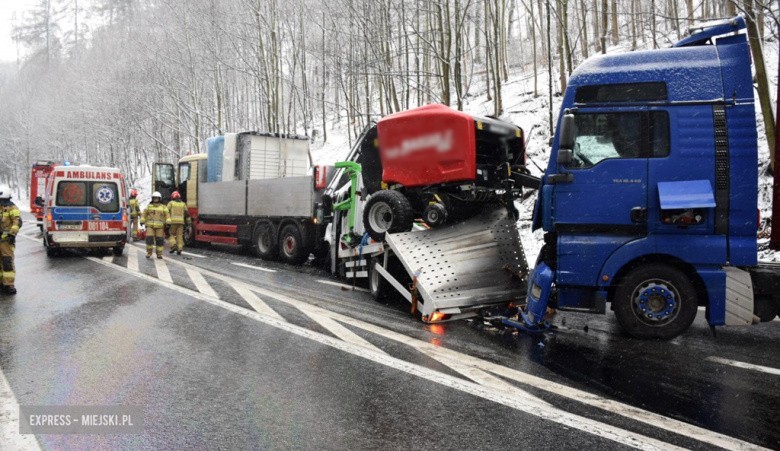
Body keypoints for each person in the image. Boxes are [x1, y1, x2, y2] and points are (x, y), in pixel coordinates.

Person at [0, 185, 20, 294]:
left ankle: (8, 285)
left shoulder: (12, 208)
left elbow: (17, 222)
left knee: (7, 262)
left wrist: (12, 234)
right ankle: (1, 283)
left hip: (6, 241)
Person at [141, 191, 170, 259]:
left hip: (160, 227)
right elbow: (144, 214)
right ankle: (149, 253)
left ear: (160, 199)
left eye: (157, 198)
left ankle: (159, 254)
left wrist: (168, 222)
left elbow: (167, 215)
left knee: (160, 240)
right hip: (150, 226)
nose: (155, 199)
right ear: (152, 199)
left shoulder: (163, 207)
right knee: (149, 239)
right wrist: (142, 220)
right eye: (154, 198)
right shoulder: (149, 206)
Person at [166, 191, 191, 255]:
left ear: (172, 197)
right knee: (179, 236)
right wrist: (189, 223)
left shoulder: (171, 203)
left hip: (173, 222)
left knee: (170, 234)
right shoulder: (183, 204)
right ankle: (179, 248)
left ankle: (173, 245)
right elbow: (187, 214)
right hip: (181, 223)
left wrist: (166, 221)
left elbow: (166, 211)